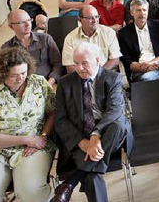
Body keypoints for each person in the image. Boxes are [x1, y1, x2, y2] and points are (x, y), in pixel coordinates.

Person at [0, 47, 55, 202]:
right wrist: (26, 139)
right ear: (2, 74)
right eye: (14, 75)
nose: (21, 78)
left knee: (31, 193)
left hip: (34, 147)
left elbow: (53, 113)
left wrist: (42, 136)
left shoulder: (39, 83)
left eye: (23, 72)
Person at [53, 42, 133, 202]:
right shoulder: (65, 83)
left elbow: (115, 111)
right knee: (92, 176)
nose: (79, 68)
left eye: (84, 63)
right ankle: (84, 173)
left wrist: (96, 136)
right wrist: (82, 142)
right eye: (76, 63)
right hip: (81, 137)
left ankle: (71, 182)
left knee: (118, 124)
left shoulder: (113, 78)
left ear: (97, 60)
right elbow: (60, 120)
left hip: (110, 136)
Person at [118, 0, 159, 83]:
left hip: (158, 66)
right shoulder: (124, 33)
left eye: (144, 10)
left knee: (145, 79)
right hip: (138, 68)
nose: (142, 13)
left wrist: (151, 63)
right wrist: (142, 67)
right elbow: (126, 59)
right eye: (138, 10)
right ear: (131, 12)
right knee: (143, 78)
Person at [2, 9, 62, 86]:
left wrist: (49, 83)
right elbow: (5, 74)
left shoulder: (45, 39)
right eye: (22, 22)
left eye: (29, 20)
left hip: (48, 82)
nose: (28, 24)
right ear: (11, 27)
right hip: (21, 86)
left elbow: (58, 64)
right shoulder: (7, 48)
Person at [62, 5, 122, 74]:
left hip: (104, 74)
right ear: (80, 20)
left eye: (96, 17)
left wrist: (97, 74)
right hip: (80, 77)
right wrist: (85, 76)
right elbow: (69, 66)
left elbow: (115, 60)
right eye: (90, 18)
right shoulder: (70, 38)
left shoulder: (109, 32)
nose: (95, 21)